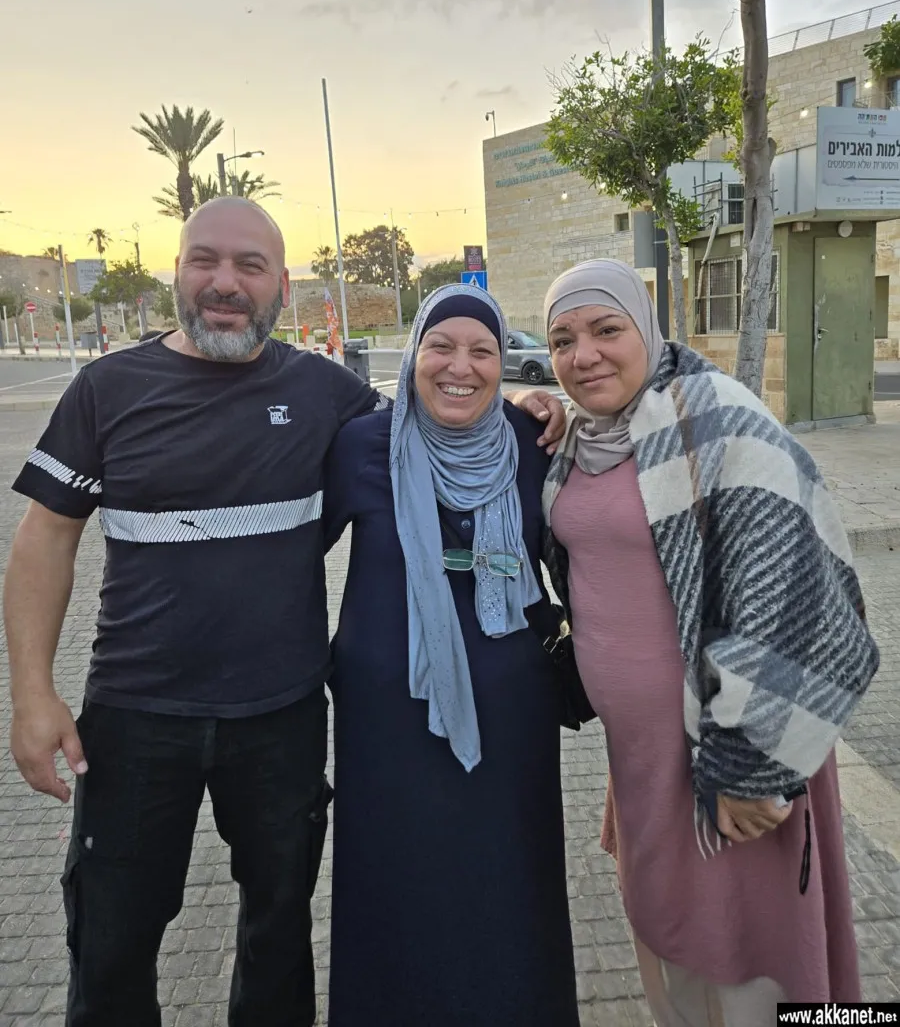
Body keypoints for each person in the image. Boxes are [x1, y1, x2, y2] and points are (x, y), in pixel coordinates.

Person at [3, 198, 562, 1027]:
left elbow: (433, 413)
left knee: (278, 937)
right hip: (136, 713)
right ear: (178, 270)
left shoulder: (325, 393)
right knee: (112, 940)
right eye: (206, 260)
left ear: (282, 285)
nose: (225, 283)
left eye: (250, 266)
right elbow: (46, 537)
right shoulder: (107, 388)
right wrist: (33, 694)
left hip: (282, 717)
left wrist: (528, 407)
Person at [539, 258, 880, 1023]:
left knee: (751, 954)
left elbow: (796, 595)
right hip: (643, 758)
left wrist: (753, 765)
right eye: (562, 340)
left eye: (606, 330)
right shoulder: (582, 437)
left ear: (647, 329)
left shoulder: (718, 420)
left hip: (728, 750)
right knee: (674, 944)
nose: (583, 355)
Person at [322, 284, 579, 1027]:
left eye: (481, 351)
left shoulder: (533, 444)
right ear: (414, 355)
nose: (459, 366)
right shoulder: (363, 446)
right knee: (394, 881)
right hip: (387, 717)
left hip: (512, 713)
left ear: (503, 363)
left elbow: (584, 555)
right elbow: (290, 559)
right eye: (440, 346)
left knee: (509, 877)